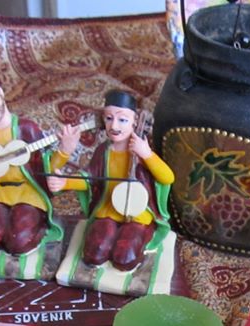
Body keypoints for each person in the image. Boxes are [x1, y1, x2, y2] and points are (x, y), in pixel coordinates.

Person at [47, 90, 174, 272]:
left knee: (125, 256)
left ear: (135, 121)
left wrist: (146, 154)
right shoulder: (103, 151)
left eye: (122, 120)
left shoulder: (142, 152)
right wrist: (65, 182)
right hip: (108, 210)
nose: (114, 125)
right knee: (95, 252)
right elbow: (90, 178)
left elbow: (167, 178)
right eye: (109, 118)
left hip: (138, 214)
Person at [0, 74, 79, 259]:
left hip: (28, 193)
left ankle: (40, 227)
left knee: (19, 242)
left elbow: (46, 164)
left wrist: (65, 150)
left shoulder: (27, 128)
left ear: (0, 92)